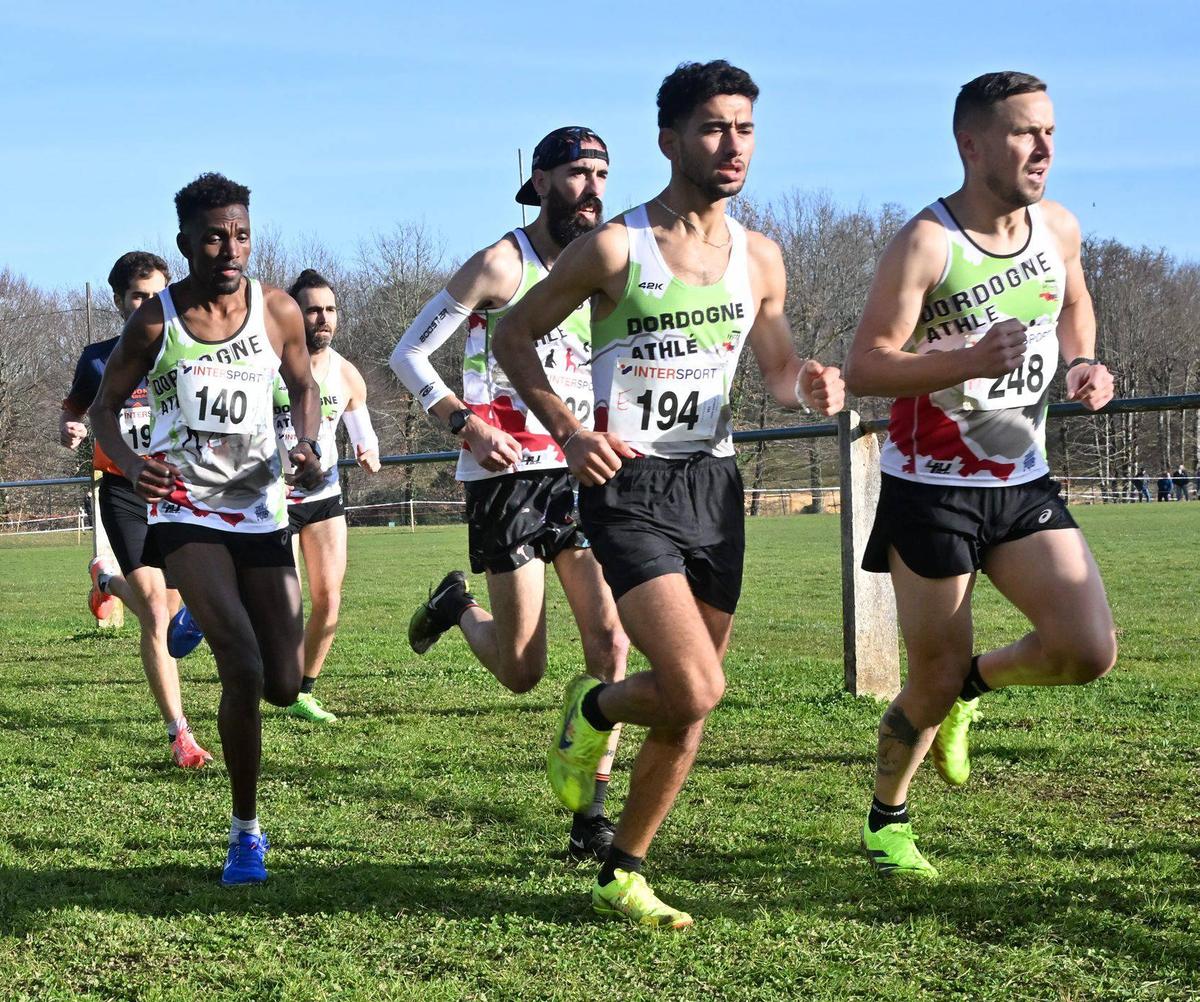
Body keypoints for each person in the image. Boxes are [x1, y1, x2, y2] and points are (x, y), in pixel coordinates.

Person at [493, 61, 844, 927]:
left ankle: (624, 865)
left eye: (746, 129)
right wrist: (571, 433)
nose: (733, 146)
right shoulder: (617, 245)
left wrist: (812, 384)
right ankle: (597, 708)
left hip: (714, 486)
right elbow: (513, 334)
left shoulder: (761, 257)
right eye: (716, 128)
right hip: (629, 483)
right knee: (695, 687)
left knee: (694, 694)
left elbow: (775, 368)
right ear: (671, 139)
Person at [845, 71, 1118, 878]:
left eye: (1052, 133)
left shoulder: (1058, 228)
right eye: (1025, 132)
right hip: (931, 487)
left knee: (1086, 648)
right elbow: (865, 365)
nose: (1044, 149)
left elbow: (1074, 305)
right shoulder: (928, 242)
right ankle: (886, 819)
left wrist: (1084, 363)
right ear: (971, 144)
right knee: (924, 676)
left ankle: (975, 686)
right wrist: (965, 358)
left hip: (1021, 479)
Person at [390, 127, 630, 864]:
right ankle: (457, 605)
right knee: (523, 671)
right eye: (577, 173)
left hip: (579, 473)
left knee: (612, 644)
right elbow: (408, 354)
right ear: (541, 181)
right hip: (505, 478)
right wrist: (463, 426)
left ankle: (591, 813)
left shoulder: (608, 265)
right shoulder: (502, 263)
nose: (592, 188)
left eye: (602, 174)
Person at [89, 173, 323, 885]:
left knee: (284, 682)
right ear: (187, 241)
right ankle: (246, 834)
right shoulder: (156, 322)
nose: (231, 247)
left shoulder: (277, 310)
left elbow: (305, 386)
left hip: (259, 507)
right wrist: (133, 467)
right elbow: (103, 412)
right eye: (216, 235)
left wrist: (307, 442)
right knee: (244, 668)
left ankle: (198, 620)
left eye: (243, 234)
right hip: (183, 508)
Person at [60, 250, 212, 768]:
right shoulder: (99, 359)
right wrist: (70, 428)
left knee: (169, 615)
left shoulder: (189, 349)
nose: (149, 304)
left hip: (179, 490)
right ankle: (180, 734)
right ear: (120, 302)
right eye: (138, 296)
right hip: (125, 491)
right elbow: (74, 407)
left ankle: (105, 580)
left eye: (157, 294)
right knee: (153, 609)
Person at [272, 269, 381, 724]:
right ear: (295, 313)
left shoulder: (347, 374)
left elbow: (364, 435)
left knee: (329, 599)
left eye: (330, 309)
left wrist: (368, 451)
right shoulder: (268, 366)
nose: (323, 318)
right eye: (313, 309)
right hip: (271, 500)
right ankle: (271, 674)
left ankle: (303, 690)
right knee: (285, 605)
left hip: (324, 494)